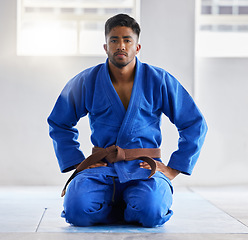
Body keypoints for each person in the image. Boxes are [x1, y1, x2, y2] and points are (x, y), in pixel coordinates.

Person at [47, 13, 207, 228]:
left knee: (152, 213)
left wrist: (174, 168)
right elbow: (59, 122)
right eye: (114, 40)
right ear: (105, 46)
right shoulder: (87, 81)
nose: (120, 46)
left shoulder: (159, 80)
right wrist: (78, 163)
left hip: (144, 168)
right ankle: (122, 207)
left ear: (137, 47)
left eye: (127, 40)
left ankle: (126, 206)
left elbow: (194, 123)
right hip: (102, 168)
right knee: (76, 211)